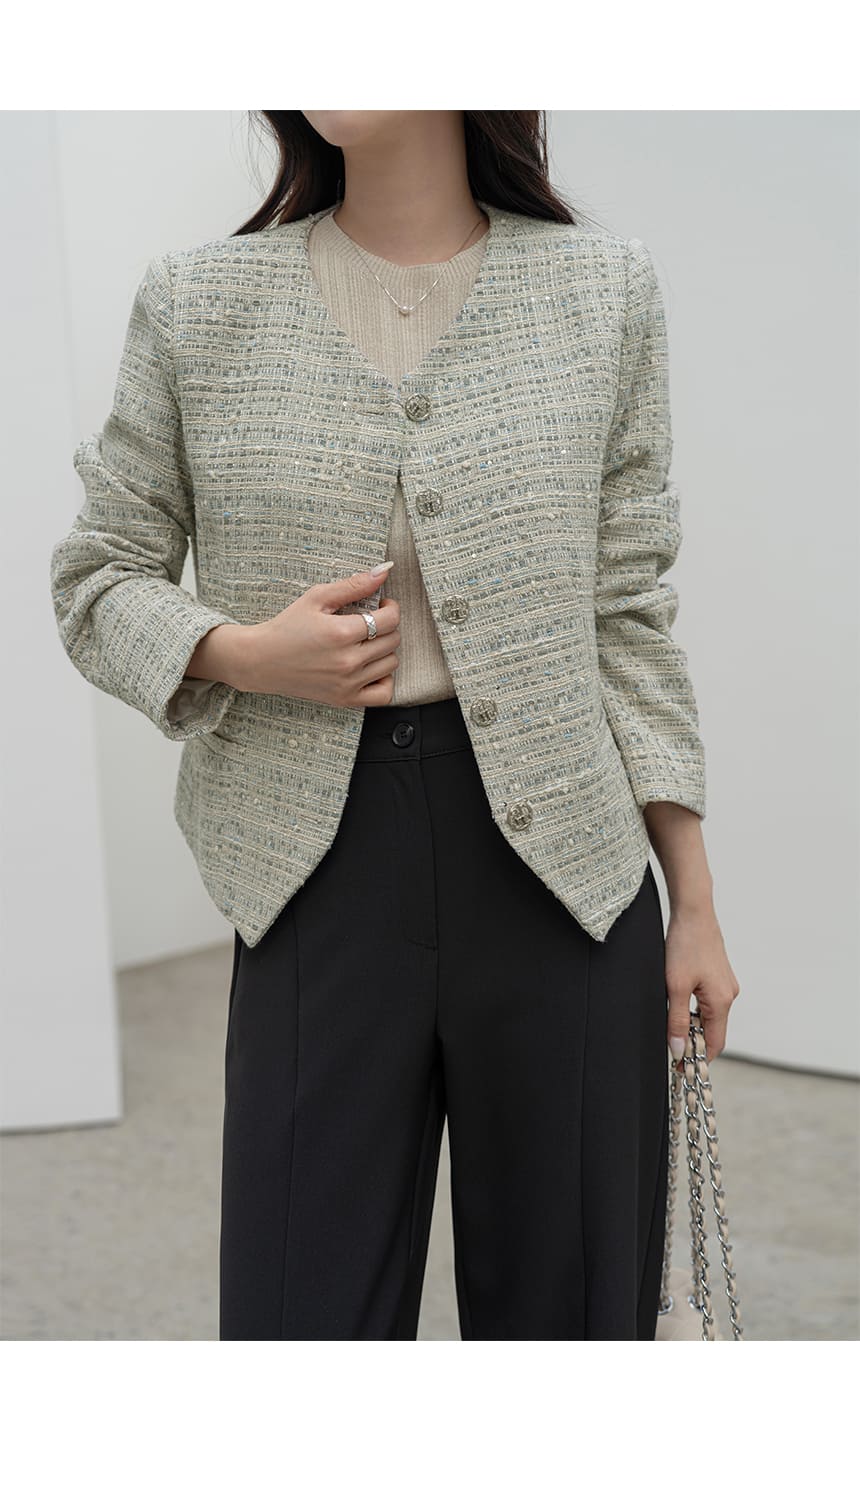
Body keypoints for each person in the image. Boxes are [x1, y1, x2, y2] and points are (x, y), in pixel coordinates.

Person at [49, 109, 740, 1340]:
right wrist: (245, 652)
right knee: (298, 1316)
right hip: (310, 874)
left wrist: (690, 901)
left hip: (564, 876)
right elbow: (98, 576)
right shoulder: (198, 302)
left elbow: (626, 612)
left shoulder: (600, 291)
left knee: (572, 1318)